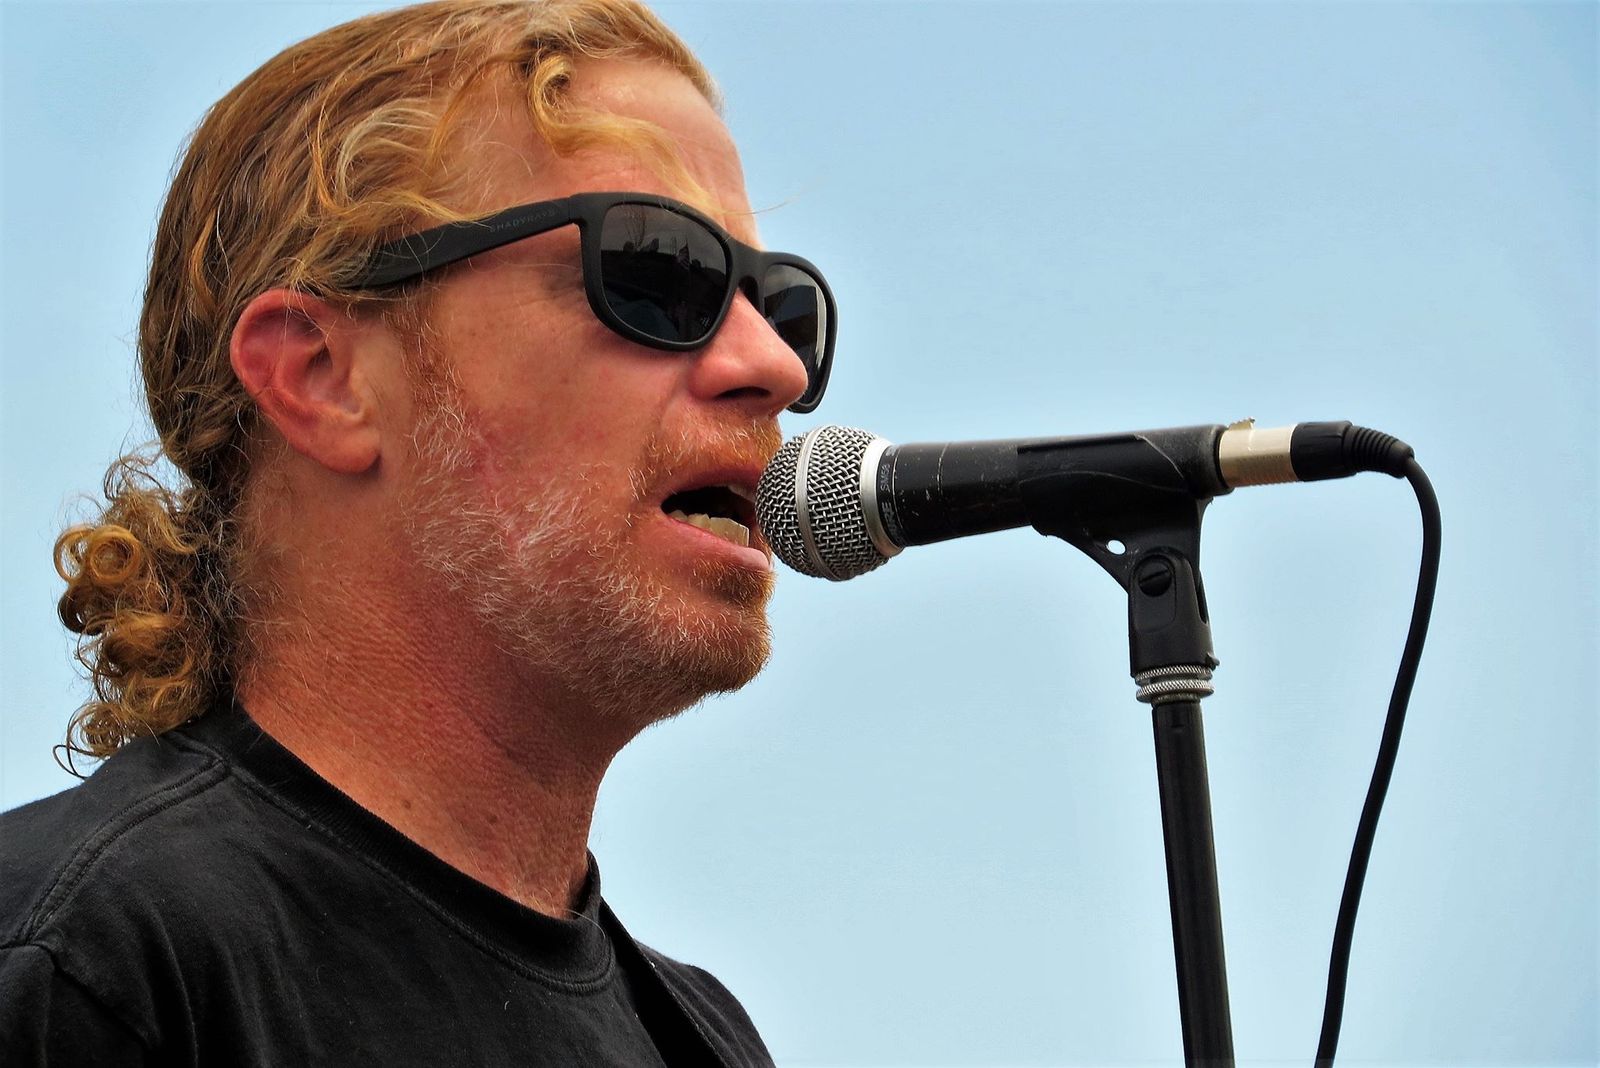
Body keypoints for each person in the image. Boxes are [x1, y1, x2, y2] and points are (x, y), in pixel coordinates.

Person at [0, 1, 837, 1063]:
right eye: (656, 271)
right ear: (322, 376)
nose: (776, 366)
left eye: (783, 305)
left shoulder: (706, 1037)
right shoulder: (84, 962)